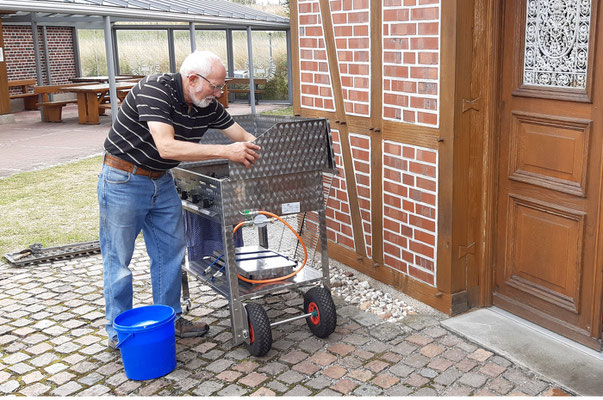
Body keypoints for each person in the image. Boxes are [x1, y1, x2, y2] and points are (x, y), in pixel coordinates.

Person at [98, 50, 260, 348]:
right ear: (193, 79)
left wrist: (266, 148)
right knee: (118, 259)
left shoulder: (206, 104)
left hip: (162, 181)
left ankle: (170, 320)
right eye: (215, 86)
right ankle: (117, 331)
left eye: (221, 87)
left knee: (170, 253)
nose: (219, 93)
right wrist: (226, 152)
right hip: (124, 179)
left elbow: (241, 135)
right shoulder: (154, 90)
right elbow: (167, 147)